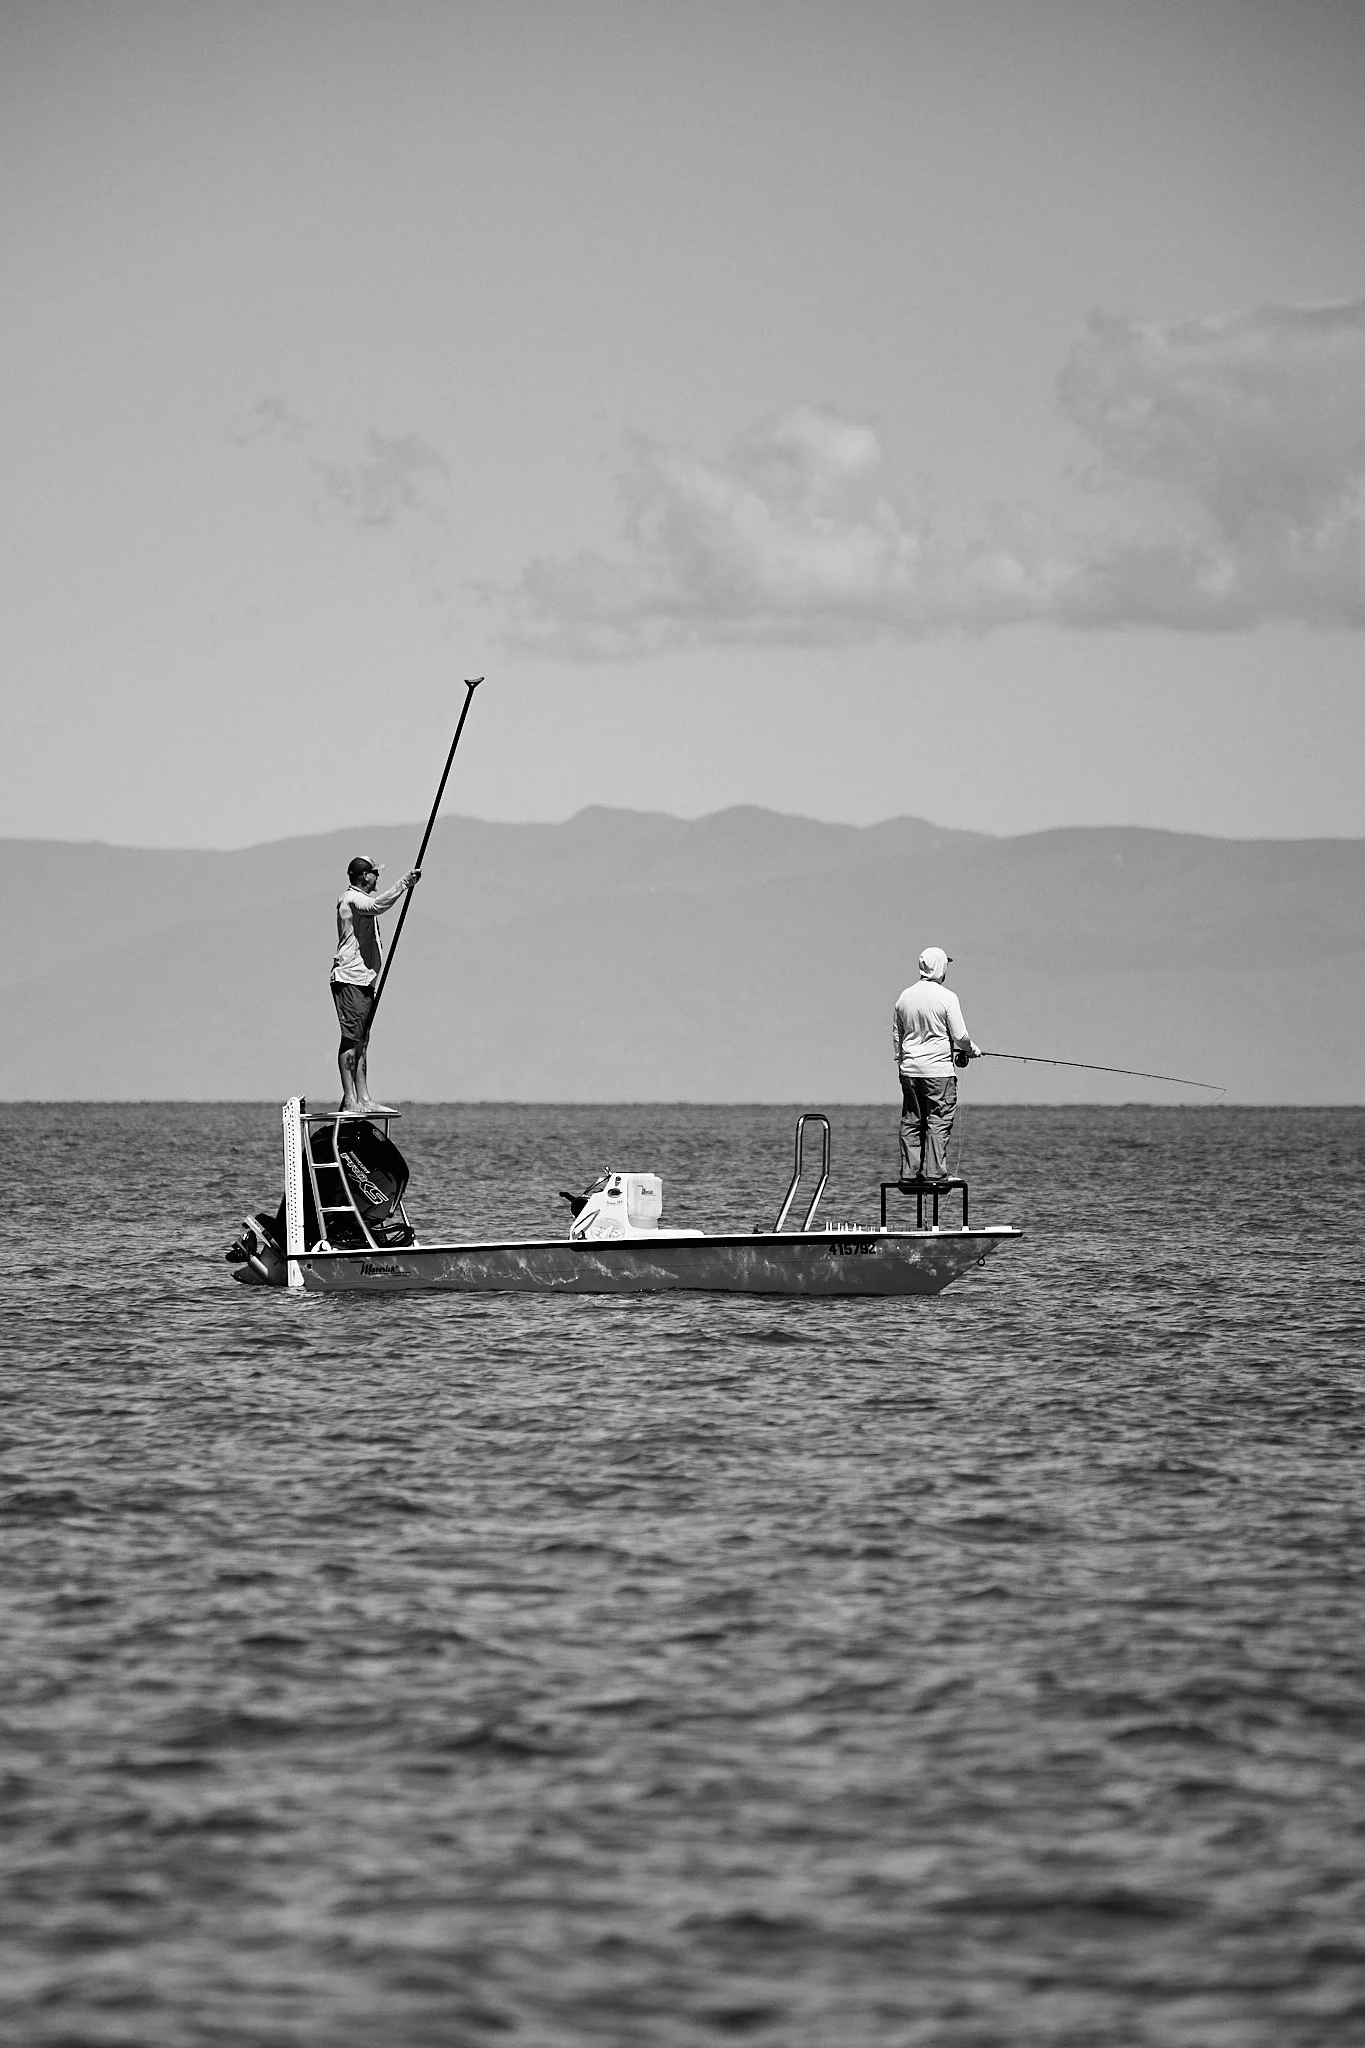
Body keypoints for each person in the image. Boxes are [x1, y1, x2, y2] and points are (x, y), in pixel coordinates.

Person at [331, 855, 420, 1113]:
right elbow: (377, 906)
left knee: (362, 1039)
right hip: (349, 979)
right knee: (351, 1038)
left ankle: (364, 1098)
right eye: (375, 873)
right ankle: (350, 1099)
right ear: (364, 876)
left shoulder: (359, 899)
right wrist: (404, 883)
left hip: (363, 981)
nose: (377, 877)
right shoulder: (351, 899)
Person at [893, 946, 981, 1185]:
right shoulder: (947, 997)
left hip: (909, 1072)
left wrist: (901, 1060)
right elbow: (960, 1036)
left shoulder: (904, 996)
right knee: (938, 1121)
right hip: (938, 1073)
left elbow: (897, 1036)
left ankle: (909, 1175)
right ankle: (935, 1174)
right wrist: (971, 1050)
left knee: (912, 1121)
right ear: (940, 967)